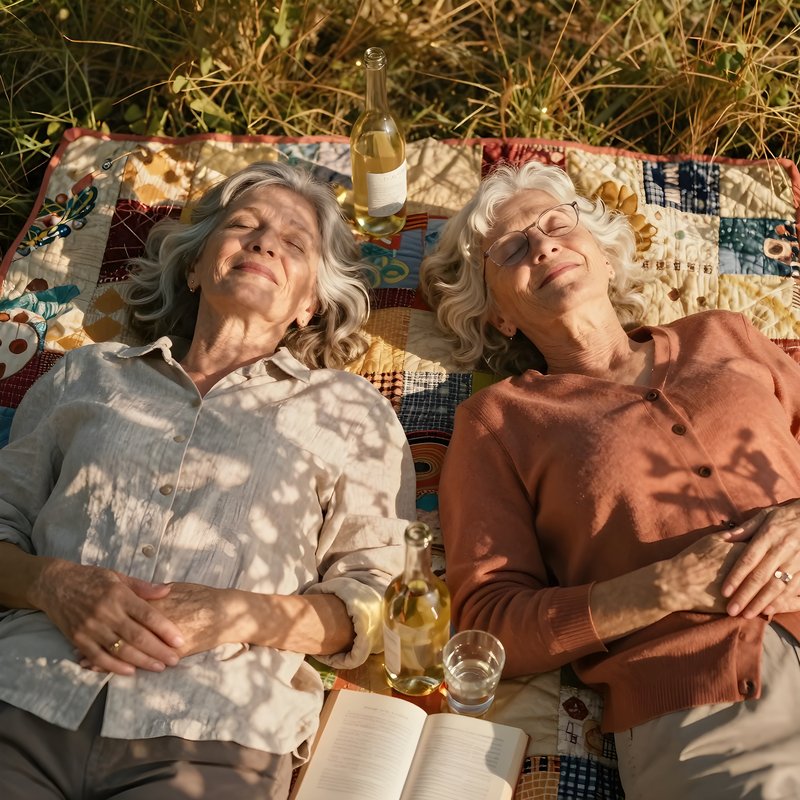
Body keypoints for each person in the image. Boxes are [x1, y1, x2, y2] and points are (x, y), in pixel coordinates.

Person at [0, 161, 416, 799]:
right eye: (243, 225)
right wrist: (56, 584)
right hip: (23, 692)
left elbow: (374, 605)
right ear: (194, 268)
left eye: (294, 243)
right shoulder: (86, 374)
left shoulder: (351, 412)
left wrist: (233, 614)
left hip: (215, 729)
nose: (264, 242)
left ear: (309, 304)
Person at [420, 160, 800, 799]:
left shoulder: (722, 333)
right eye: (511, 248)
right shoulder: (499, 420)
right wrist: (665, 586)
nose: (542, 244)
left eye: (556, 225)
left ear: (603, 253)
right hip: (707, 700)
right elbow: (490, 625)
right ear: (498, 315)